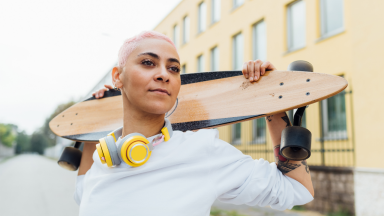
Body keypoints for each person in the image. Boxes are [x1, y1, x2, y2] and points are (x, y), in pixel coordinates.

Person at [76, 31, 314, 216]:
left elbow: (297, 191)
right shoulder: (104, 157)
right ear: (118, 76)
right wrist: (96, 115)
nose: (164, 74)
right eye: (148, 62)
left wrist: (272, 103)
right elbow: (82, 190)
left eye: (174, 68)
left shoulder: (201, 150)